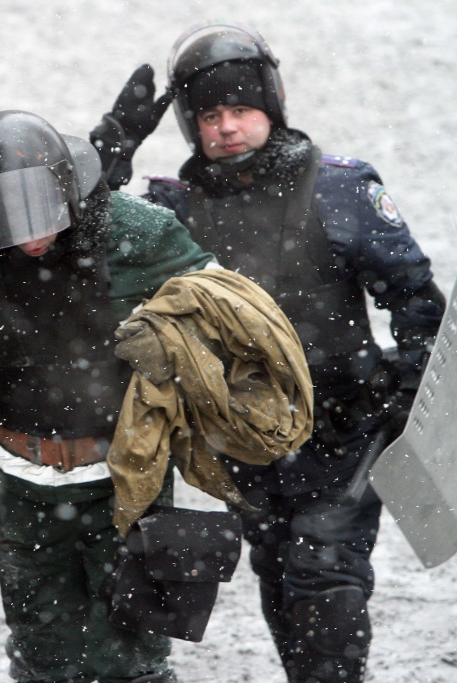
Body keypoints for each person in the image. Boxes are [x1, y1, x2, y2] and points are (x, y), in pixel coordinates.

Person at [90, 23, 446, 683]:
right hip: (243, 443)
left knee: (324, 572)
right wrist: (110, 154)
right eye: (209, 115)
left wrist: (404, 399)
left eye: (241, 111)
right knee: (279, 570)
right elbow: (80, 252)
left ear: (272, 108)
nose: (226, 127)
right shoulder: (174, 210)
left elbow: (419, 301)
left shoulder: (340, 189)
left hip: (344, 432)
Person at [0, 110, 214, 683]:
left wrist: (179, 357)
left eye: (41, 215)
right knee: (42, 656)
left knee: (131, 658)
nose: (30, 236)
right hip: (19, 479)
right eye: (8, 220)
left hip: (125, 477)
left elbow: (231, 317)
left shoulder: (141, 235)